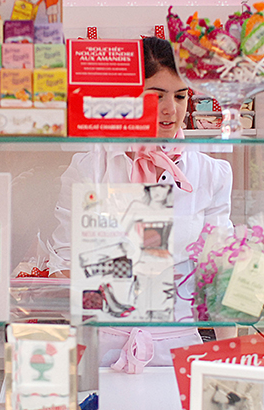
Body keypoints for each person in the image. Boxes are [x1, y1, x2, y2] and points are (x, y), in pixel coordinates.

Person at [46, 37, 235, 372]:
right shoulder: (90, 168)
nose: (171, 109)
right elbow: (63, 261)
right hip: (101, 348)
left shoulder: (210, 174)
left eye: (180, 96)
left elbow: (219, 273)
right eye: (156, 95)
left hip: (179, 348)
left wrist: (230, 361)